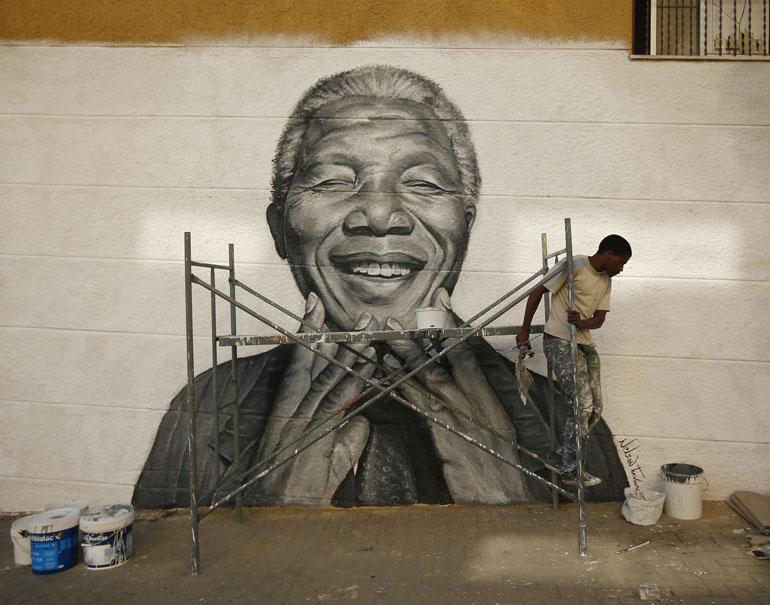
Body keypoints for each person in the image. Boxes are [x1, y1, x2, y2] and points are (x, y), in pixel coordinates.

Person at [134, 65, 628, 509]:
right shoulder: (202, 409)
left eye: (424, 184)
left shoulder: (569, 422)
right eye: (331, 181)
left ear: (465, 228)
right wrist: (273, 507)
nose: (378, 216)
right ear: (279, 229)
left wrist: (512, 496)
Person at [517, 235, 632, 487]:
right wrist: (525, 331)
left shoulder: (606, 281)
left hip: (584, 344)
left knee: (594, 410)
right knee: (581, 406)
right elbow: (538, 291)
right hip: (559, 341)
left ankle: (558, 455)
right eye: (621, 262)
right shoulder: (575, 265)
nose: (621, 269)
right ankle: (570, 469)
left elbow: (599, 319)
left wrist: (582, 322)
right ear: (609, 254)